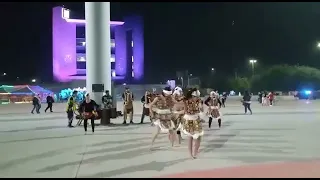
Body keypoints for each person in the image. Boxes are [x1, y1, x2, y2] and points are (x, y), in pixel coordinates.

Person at [181, 88, 204, 159]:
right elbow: (184, 111)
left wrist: (200, 107)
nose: (197, 98)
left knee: (199, 136)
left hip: (196, 119)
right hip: (189, 120)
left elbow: (201, 109)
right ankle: (191, 154)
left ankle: (195, 151)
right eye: (196, 97)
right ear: (192, 96)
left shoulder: (199, 101)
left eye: (198, 97)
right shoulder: (186, 101)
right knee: (190, 137)